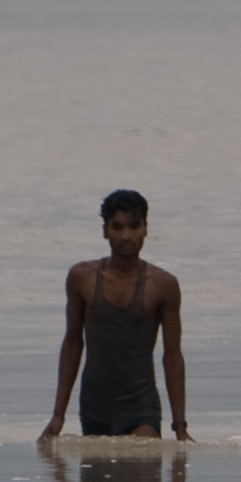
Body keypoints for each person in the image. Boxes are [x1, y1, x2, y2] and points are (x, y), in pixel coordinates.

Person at [41, 188, 191, 443]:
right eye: (117, 227)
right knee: (99, 481)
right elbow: (73, 343)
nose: (126, 236)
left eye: (134, 226)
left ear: (145, 228)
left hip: (141, 405)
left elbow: (173, 355)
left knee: (140, 467)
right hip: (94, 406)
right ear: (105, 231)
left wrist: (180, 428)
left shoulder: (162, 285)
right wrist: (58, 416)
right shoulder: (82, 278)